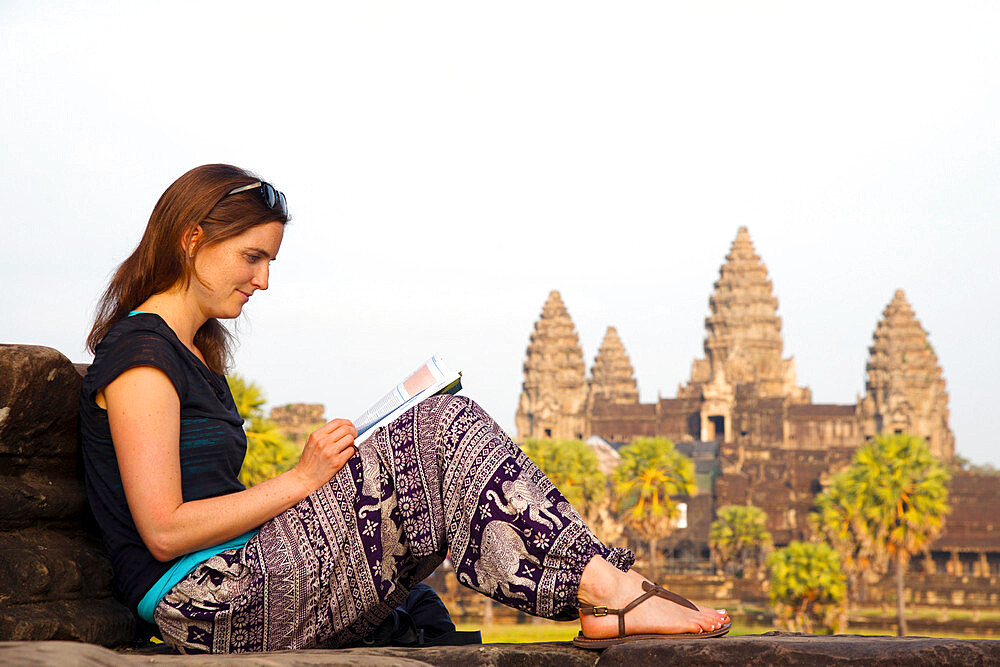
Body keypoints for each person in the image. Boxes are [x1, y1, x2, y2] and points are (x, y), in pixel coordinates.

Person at [79, 164, 730, 654]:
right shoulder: (142, 355)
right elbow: (162, 529)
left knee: (419, 559)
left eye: (270, 260)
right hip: (210, 601)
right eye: (252, 257)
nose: (264, 279)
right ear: (192, 239)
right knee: (440, 430)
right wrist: (303, 480)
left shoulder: (193, 354)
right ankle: (608, 590)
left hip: (242, 575)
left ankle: (598, 588)